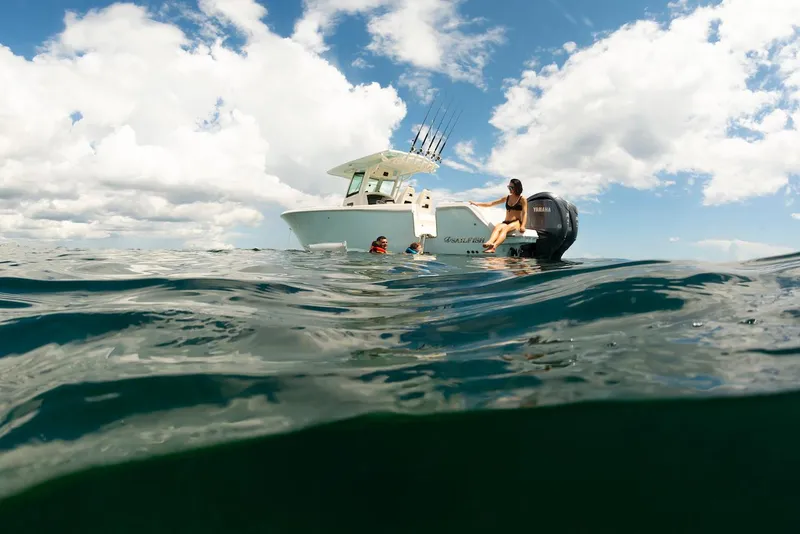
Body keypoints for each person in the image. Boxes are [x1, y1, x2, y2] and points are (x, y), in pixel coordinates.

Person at [469, 178, 527, 253]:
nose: (509, 189)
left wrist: (523, 226)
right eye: (508, 187)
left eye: (511, 187)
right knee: (497, 227)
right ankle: (490, 242)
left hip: (516, 222)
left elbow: (525, 213)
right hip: (506, 222)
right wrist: (476, 203)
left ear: (517, 187)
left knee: (505, 229)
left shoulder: (522, 199)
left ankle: (494, 247)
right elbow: (491, 203)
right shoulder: (507, 198)